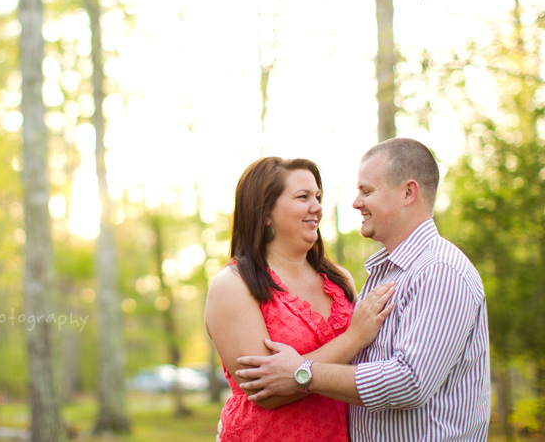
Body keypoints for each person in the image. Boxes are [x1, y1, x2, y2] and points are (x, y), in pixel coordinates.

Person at [235, 138, 491, 441]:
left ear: (408, 193)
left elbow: (409, 382)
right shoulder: (387, 272)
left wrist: (302, 372)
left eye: (366, 191)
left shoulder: (440, 271)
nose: (356, 203)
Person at [204, 157, 395, 441]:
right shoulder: (233, 285)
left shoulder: (340, 281)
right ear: (266, 213)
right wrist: (354, 337)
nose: (317, 207)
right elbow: (265, 393)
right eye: (303, 197)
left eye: (317, 196)